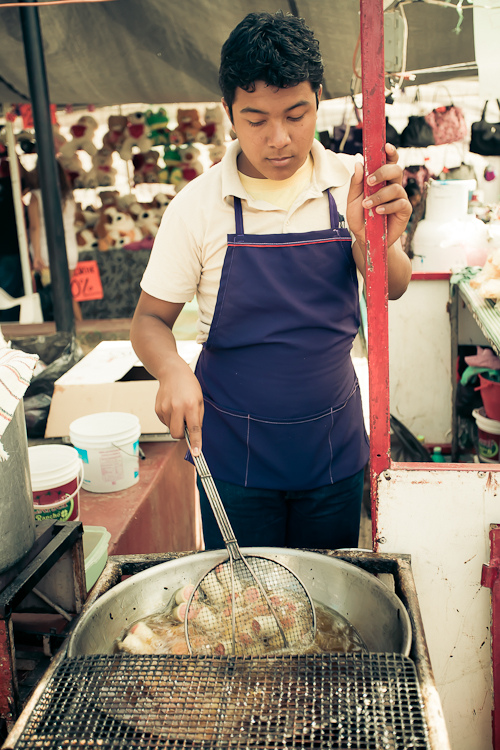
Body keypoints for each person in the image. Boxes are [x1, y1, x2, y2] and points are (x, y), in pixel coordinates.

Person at [130, 11, 412, 551]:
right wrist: (170, 371)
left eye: (296, 114)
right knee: (246, 613)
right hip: (234, 458)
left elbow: (393, 287)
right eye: (255, 119)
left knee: (328, 607)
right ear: (228, 113)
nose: (279, 139)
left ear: (319, 100)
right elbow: (149, 320)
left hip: (334, 450)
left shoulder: (352, 183)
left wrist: (377, 241)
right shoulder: (198, 205)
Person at [27, 158, 82, 321]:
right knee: (66, 293)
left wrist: (36, 255)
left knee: (55, 296)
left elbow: (35, 227)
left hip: (47, 250)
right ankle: (82, 326)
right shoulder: (68, 197)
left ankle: (75, 329)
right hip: (69, 249)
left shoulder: (36, 197)